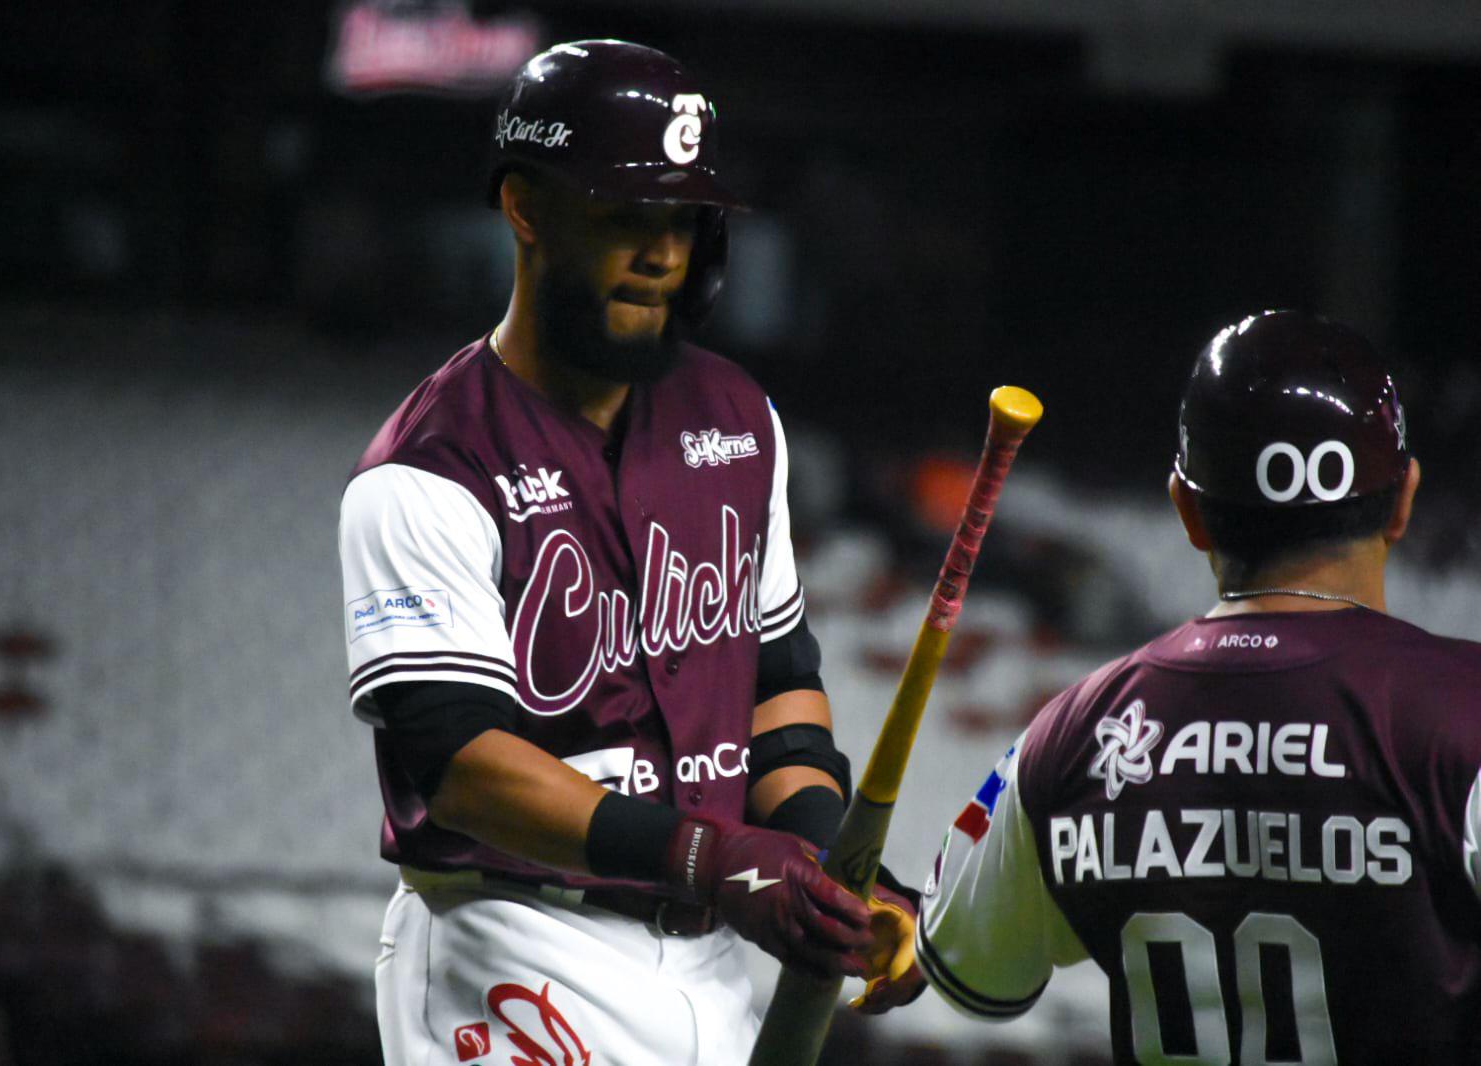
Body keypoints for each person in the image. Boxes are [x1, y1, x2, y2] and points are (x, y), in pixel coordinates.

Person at [337, 40, 913, 1066]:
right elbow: (462, 766)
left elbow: (777, 688)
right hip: (512, 945)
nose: (663, 254)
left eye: (684, 221)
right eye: (625, 217)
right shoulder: (427, 468)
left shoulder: (740, 420)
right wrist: (717, 854)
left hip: (709, 969)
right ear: (525, 208)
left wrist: (829, 867)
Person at [908, 310, 1481, 1062]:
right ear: (1403, 498)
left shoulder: (1073, 731)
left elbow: (967, 964)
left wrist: (894, 917)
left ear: (1185, 508)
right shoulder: (1463, 710)